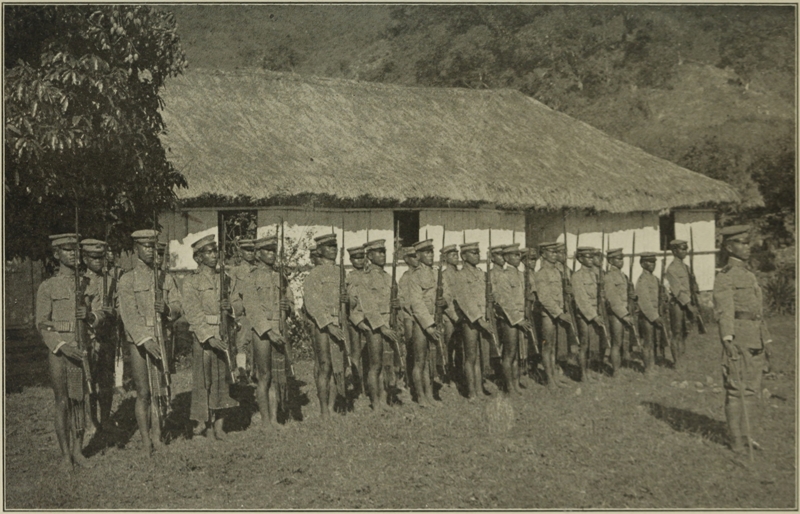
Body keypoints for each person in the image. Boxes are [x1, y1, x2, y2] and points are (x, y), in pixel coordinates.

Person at [118, 229, 183, 453]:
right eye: (146, 247)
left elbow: (177, 305)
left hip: (161, 338)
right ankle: (145, 439)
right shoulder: (127, 280)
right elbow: (128, 313)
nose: (151, 251)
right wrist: (144, 339)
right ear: (136, 249)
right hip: (139, 341)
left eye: (154, 247)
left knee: (160, 391)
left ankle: (157, 436)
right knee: (144, 392)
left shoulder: (166, 278)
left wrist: (167, 309)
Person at [713, 225, 773, 454]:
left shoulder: (748, 275)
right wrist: (727, 339)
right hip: (738, 339)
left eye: (748, 243)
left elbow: (757, 312)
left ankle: (747, 436)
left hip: (754, 338)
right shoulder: (725, 275)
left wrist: (766, 340)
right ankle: (735, 440)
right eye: (742, 243)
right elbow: (724, 310)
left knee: (750, 390)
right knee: (735, 390)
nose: (747, 247)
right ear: (729, 246)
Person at [36, 233, 92, 470]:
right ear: (57, 254)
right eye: (67, 250)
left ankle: (78, 451)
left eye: (76, 250)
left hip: (81, 350)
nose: (74, 254)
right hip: (59, 351)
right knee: (62, 401)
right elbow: (43, 323)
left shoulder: (86, 283)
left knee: (80, 400)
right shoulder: (48, 286)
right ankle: (65, 455)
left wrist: (89, 315)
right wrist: (62, 346)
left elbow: (97, 313)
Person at [232, 235, 294, 429]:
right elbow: (251, 306)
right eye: (267, 250)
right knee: (264, 375)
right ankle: (266, 420)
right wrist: (267, 331)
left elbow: (290, 300)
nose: (271, 254)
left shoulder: (280, 276)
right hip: (262, 331)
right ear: (258, 254)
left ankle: (275, 419)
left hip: (279, 327)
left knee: (277, 376)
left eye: (274, 250)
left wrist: (288, 306)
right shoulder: (251, 277)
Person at [181, 234, 238, 440]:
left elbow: (238, 303)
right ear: (198, 258)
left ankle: (219, 425)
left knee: (222, 379)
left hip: (223, 333)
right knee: (203, 380)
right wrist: (207, 336)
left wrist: (229, 307)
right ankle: (201, 425)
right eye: (209, 252)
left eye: (215, 251)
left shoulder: (225, 279)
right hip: (204, 336)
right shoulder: (191, 281)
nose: (214, 255)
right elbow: (192, 312)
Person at [350, 239, 402, 410]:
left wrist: (396, 305)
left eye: (383, 252)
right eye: (378, 252)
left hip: (389, 322)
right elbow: (368, 306)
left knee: (388, 363)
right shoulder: (365, 278)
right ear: (370, 256)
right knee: (376, 364)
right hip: (375, 325)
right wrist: (382, 327)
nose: (382, 255)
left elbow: (396, 300)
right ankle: (376, 401)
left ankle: (385, 398)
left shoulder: (388, 277)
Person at [303, 233, 348, 419]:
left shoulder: (341, 272)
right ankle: (323, 409)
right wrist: (329, 325)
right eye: (329, 247)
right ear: (320, 250)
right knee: (325, 365)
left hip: (340, 322)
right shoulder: (314, 274)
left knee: (339, 366)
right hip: (322, 325)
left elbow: (351, 300)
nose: (333, 250)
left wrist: (348, 300)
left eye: (335, 246)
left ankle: (332, 406)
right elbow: (312, 303)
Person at [81, 238, 117, 432]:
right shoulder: (81, 282)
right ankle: (90, 420)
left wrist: (113, 312)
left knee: (106, 381)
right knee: (89, 382)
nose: (98, 261)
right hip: (89, 338)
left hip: (107, 337)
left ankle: (106, 419)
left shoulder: (111, 281)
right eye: (94, 258)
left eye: (101, 257)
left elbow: (120, 308)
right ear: (85, 259)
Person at [406, 239, 445, 407]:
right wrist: (428, 325)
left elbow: (448, 293)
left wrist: (445, 301)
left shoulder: (437, 274)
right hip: (421, 323)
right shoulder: (414, 276)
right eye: (426, 252)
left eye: (431, 252)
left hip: (436, 319)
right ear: (418, 255)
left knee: (431, 360)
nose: (430, 255)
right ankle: (420, 396)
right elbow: (416, 303)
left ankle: (431, 395)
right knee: (420, 361)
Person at [452, 242, 494, 400]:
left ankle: (479, 389)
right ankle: (471, 393)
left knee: (480, 356)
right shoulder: (460, 276)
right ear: (464, 256)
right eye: (473, 253)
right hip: (470, 320)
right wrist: (479, 319)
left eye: (478, 253)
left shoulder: (481, 274)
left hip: (483, 318)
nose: (477, 255)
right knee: (470, 356)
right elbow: (464, 300)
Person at [495, 244, 534, 394]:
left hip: (520, 317)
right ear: (506, 258)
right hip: (510, 319)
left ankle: (516, 383)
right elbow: (505, 301)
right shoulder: (503, 276)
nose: (518, 258)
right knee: (509, 354)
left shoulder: (520, 274)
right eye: (514, 255)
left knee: (517, 354)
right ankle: (509, 387)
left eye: (518, 255)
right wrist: (518, 320)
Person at [534, 242, 573, 389]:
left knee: (554, 346)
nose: (555, 255)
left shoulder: (558, 272)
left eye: (556, 252)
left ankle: (555, 376)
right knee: (547, 346)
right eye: (551, 252)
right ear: (543, 254)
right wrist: (559, 313)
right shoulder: (541, 274)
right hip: (548, 315)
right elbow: (544, 298)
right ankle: (549, 379)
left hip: (558, 313)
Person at [572, 247, 605, 380]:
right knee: (584, 345)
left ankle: (589, 371)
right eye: (588, 257)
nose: (591, 260)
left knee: (593, 345)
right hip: (585, 315)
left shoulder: (595, 274)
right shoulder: (577, 276)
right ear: (580, 259)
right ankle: (583, 374)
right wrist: (594, 316)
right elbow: (581, 299)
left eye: (592, 257)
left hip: (596, 313)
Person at [665, 239, 699, 360]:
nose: (685, 251)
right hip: (678, 304)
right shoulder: (671, 269)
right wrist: (689, 305)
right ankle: (677, 361)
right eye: (682, 248)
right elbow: (677, 290)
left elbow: (693, 287)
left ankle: (682, 358)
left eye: (686, 248)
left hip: (688, 301)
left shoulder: (686, 267)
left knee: (685, 332)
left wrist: (694, 282)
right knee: (677, 332)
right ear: (674, 251)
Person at [604, 248, 635, 375]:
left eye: (622, 258)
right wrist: (624, 315)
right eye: (618, 258)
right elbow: (613, 299)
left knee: (623, 341)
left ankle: (621, 366)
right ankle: (615, 371)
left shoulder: (623, 275)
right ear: (611, 260)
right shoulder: (609, 276)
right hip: (616, 313)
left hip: (626, 311)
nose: (621, 261)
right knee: (616, 342)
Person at [230, 238, 256, 381]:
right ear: (241, 252)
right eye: (247, 250)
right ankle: (242, 372)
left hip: (259, 313)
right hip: (244, 313)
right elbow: (233, 294)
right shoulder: (236, 271)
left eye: (252, 250)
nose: (250, 253)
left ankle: (255, 371)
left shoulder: (258, 270)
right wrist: (237, 311)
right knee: (242, 343)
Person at [346, 244, 368, 395]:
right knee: (356, 353)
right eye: (356, 258)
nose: (359, 261)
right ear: (351, 260)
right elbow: (350, 304)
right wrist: (357, 321)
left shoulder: (370, 275)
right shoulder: (349, 278)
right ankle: (357, 385)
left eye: (362, 257)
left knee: (369, 354)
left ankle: (368, 385)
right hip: (355, 320)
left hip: (371, 319)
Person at [635, 252, 662, 376]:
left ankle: (652, 365)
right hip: (647, 316)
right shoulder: (642, 280)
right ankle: (647, 369)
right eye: (649, 262)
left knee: (653, 342)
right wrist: (654, 317)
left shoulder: (654, 278)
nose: (652, 264)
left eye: (654, 262)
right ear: (642, 264)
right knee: (647, 343)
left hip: (655, 314)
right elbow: (644, 301)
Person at [440, 244, 460, 384]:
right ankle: (447, 373)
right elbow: (446, 299)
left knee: (460, 346)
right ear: (445, 258)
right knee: (448, 345)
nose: (456, 257)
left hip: (462, 316)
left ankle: (459, 373)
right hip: (450, 316)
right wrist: (454, 317)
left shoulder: (460, 273)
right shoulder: (444, 275)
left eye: (457, 254)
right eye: (452, 255)